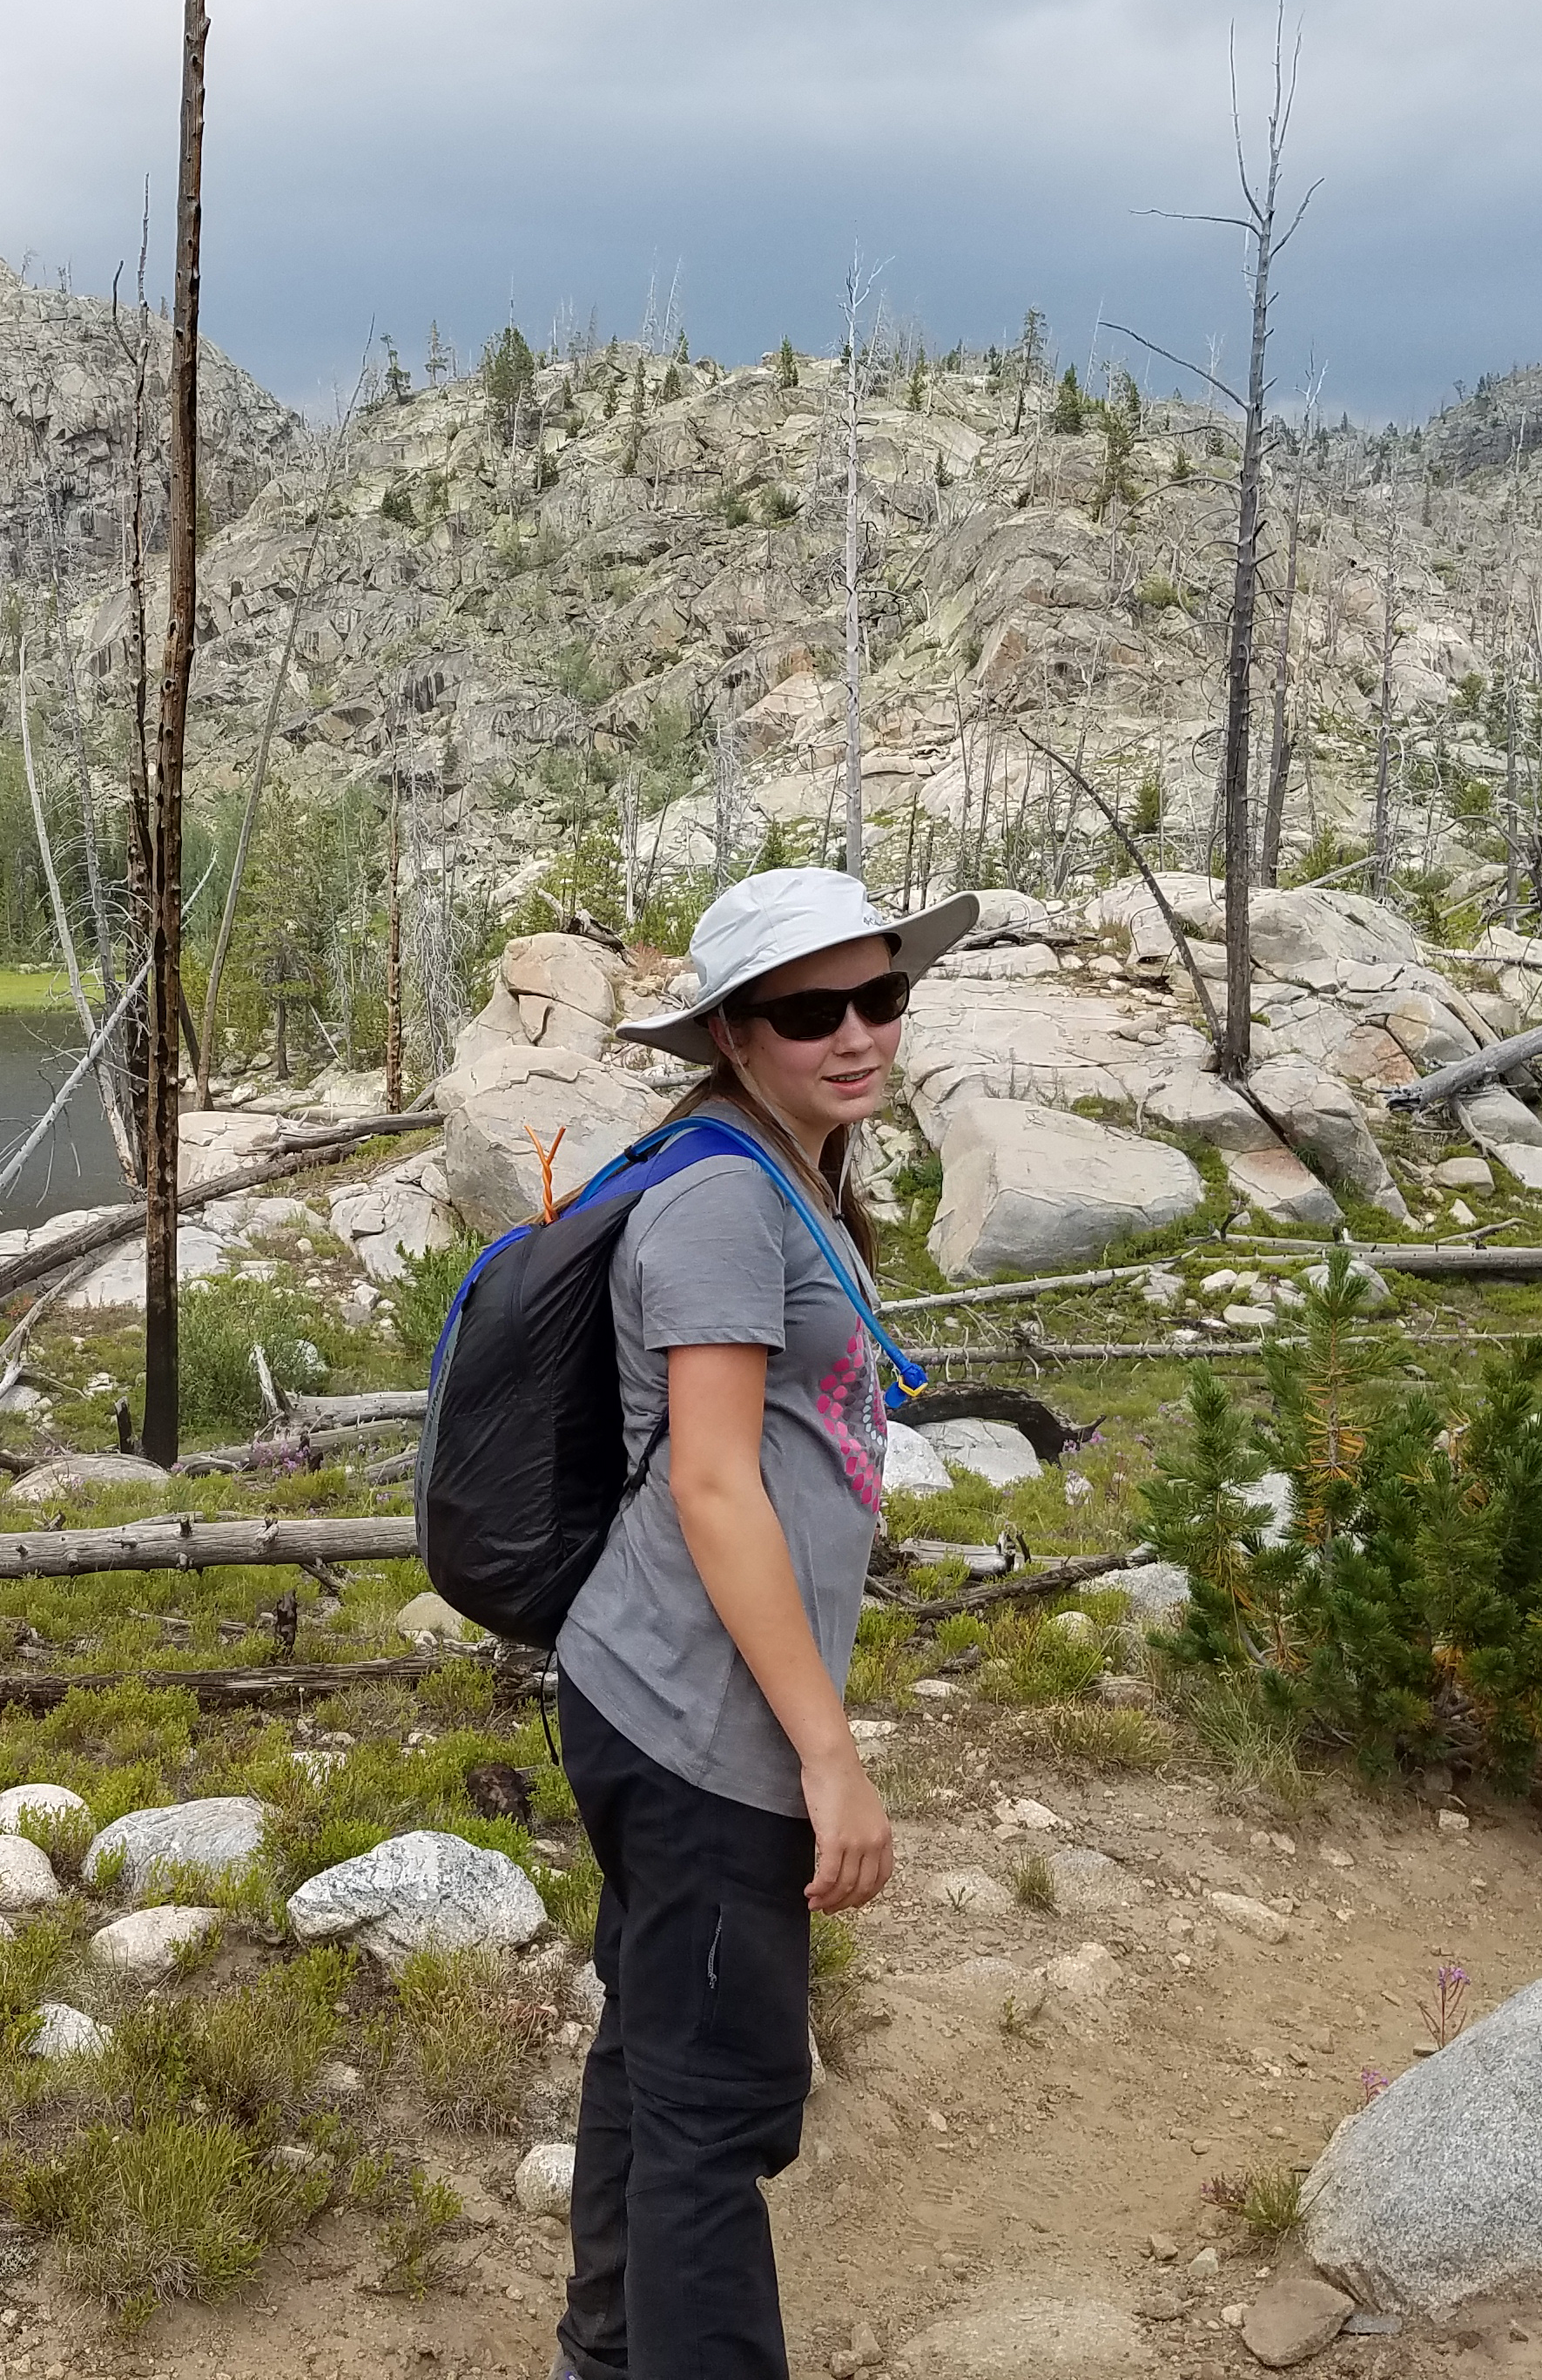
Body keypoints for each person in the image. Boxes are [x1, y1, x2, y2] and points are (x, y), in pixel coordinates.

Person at [551, 863, 974, 2380]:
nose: (858, 1032)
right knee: (715, 2110)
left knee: (660, 2059)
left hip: (654, 1684)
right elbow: (719, 1486)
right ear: (733, 1033)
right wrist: (827, 1754)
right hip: (699, 1719)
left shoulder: (780, 1163)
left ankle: (602, 2351)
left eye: (881, 993)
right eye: (812, 1009)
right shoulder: (727, 1194)